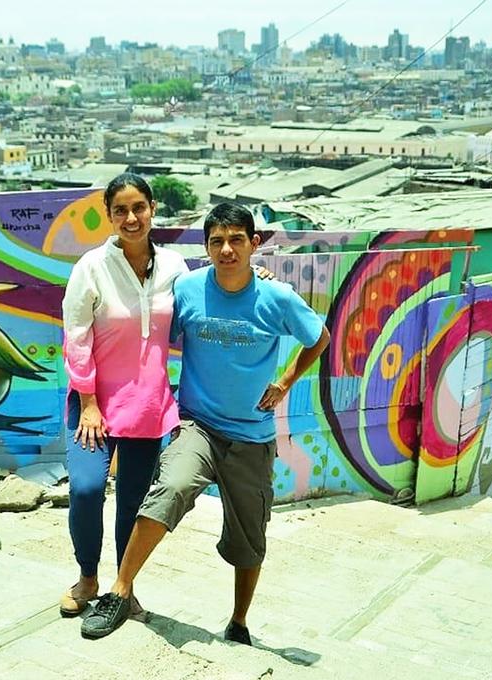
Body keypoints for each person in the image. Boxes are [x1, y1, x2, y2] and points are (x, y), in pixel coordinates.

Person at [80, 202, 330, 644]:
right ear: (206, 247)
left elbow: (319, 338)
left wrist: (286, 381)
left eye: (237, 239)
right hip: (199, 425)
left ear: (255, 244)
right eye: (217, 241)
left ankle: (239, 622)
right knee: (170, 488)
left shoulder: (278, 298)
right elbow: (147, 325)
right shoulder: (190, 288)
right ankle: (119, 591)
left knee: (250, 538)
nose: (227, 249)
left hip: (252, 436)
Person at [60, 173, 186, 617]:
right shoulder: (91, 266)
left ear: (152, 208)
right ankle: (88, 575)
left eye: (139, 208)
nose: (131, 218)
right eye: (121, 211)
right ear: (109, 216)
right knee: (88, 487)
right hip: (93, 403)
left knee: (134, 499)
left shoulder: (174, 267)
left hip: (148, 404)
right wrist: (89, 403)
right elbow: (76, 337)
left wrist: (256, 273)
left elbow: (200, 310)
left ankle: (123, 586)